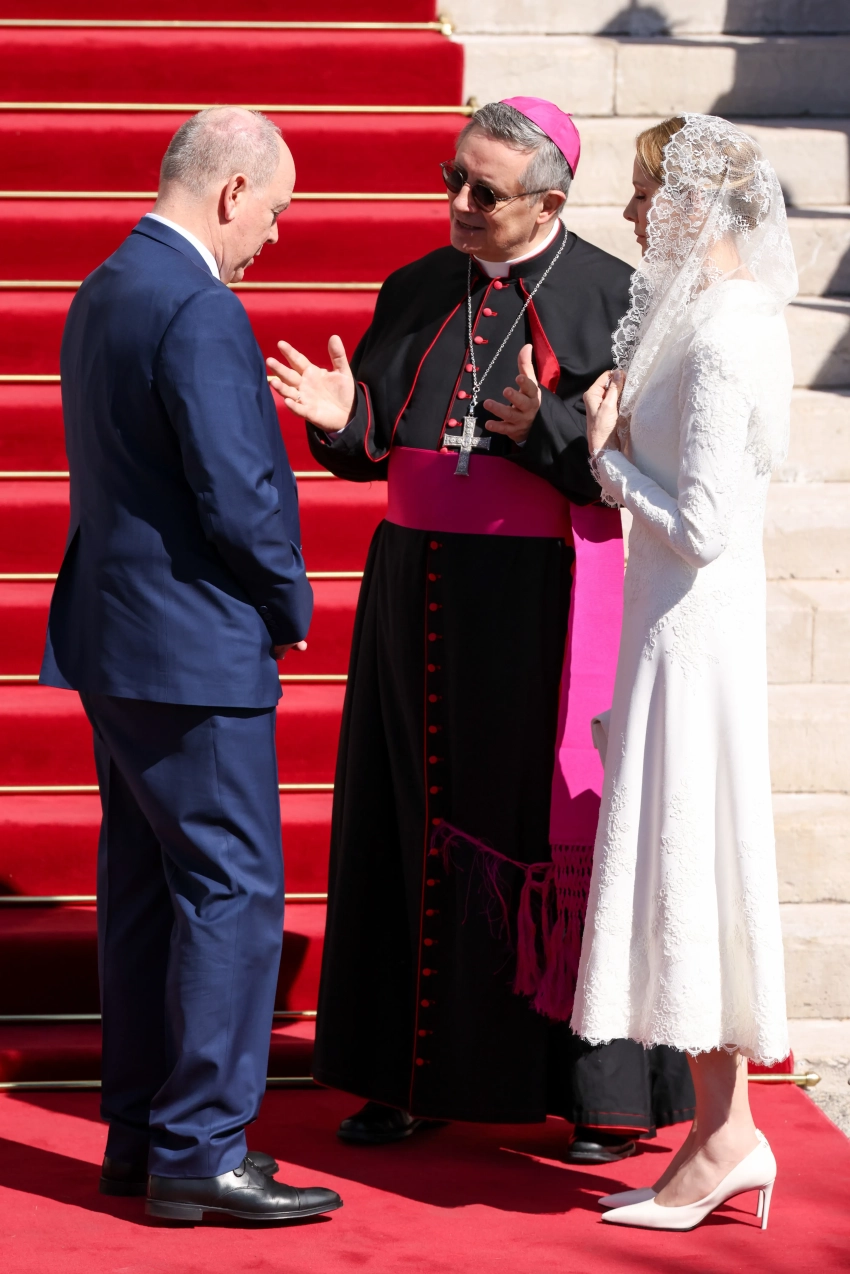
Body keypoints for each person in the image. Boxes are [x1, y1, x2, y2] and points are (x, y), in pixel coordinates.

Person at [268, 98, 694, 1160]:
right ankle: (403, 1074)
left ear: (549, 201)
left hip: (542, 602)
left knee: (545, 835)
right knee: (404, 824)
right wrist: (344, 422)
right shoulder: (416, 285)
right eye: (451, 178)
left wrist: (548, 433)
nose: (459, 203)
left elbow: (649, 478)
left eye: (485, 191)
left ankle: (591, 1091)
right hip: (412, 591)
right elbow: (379, 435)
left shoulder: (615, 298)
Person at [40, 107, 342, 1225]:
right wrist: (288, 599)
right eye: (275, 209)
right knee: (231, 891)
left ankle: (140, 1134)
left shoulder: (105, 286)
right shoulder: (200, 305)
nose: (275, 234)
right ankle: (202, 1147)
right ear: (231, 192)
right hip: (193, 645)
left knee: (143, 890)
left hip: (116, 637)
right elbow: (239, 489)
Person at [573, 114, 797, 1230]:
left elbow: (702, 527)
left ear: (697, 205)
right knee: (684, 870)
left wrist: (605, 456)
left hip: (694, 635)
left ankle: (723, 1138)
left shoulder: (722, 334)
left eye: (644, 192)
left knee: (692, 868)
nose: (628, 212)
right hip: (673, 627)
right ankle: (723, 1132)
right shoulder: (708, 316)